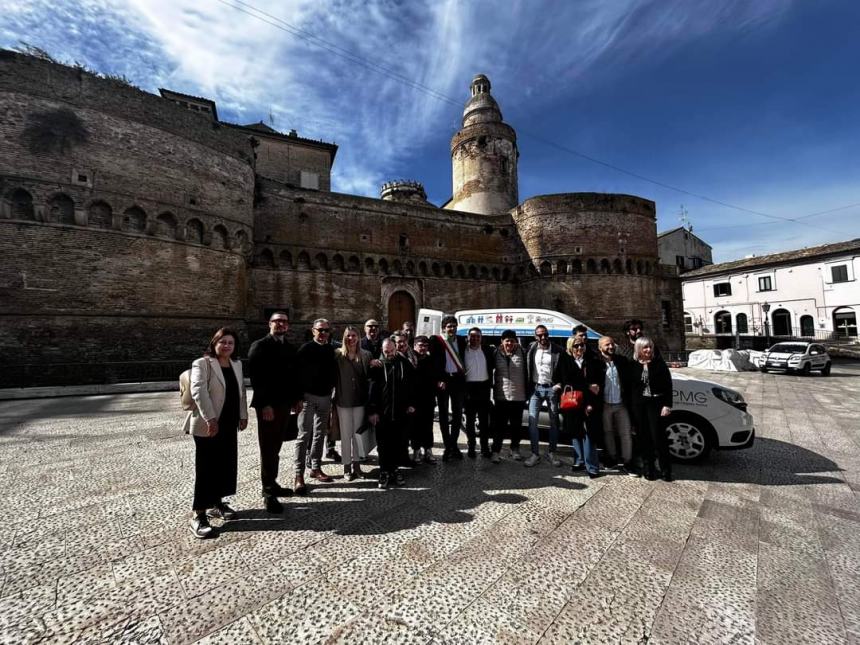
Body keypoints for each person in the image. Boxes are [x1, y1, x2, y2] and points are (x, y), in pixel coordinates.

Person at [183, 328, 248, 538]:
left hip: (229, 423)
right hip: (207, 423)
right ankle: (198, 514)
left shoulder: (237, 364)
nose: (227, 346)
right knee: (206, 467)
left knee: (225, 464)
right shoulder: (202, 363)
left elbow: (241, 392)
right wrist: (211, 418)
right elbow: (198, 391)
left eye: (231, 342)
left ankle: (216, 503)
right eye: (223, 342)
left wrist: (243, 414)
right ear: (215, 343)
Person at [248, 312, 300, 514]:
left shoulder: (289, 347)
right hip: (269, 407)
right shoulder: (259, 346)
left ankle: (273, 482)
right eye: (277, 321)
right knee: (268, 448)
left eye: (285, 321)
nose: (281, 324)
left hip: (285, 405)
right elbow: (256, 378)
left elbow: (294, 376)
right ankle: (268, 492)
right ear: (269, 324)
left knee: (276, 445)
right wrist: (264, 405)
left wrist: (297, 398)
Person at [294, 318, 337, 492]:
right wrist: (297, 397)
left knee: (320, 434)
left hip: (325, 397)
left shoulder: (330, 350)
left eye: (326, 330)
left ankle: (315, 467)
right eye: (320, 330)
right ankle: (298, 474)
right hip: (307, 397)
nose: (323, 333)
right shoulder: (305, 349)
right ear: (313, 331)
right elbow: (295, 374)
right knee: (304, 435)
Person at [368, 339, 415, 488]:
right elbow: (372, 390)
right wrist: (373, 411)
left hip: (400, 412)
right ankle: (384, 471)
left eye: (391, 351)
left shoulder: (404, 363)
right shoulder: (377, 365)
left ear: (396, 349)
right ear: (382, 350)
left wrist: (411, 404)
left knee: (397, 443)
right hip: (382, 413)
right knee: (383, 444)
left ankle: (394, 469)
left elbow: (412, 384)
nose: (389, 354)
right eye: (386, 351)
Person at [553, 335, 602, 478]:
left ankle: (592, 467)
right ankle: (579, 461)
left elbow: (596, 384)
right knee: (575, 433)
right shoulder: (564, 359)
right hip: (572, 403)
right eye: (576, 346)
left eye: (581, 345)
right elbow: (563, 379)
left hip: (587, 404)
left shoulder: (590, 361)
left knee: (588, 435)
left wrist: (590, 401)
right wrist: (586, 385)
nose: (580, 348)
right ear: (570, 347)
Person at [629, 336, 674, 481]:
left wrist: (667, 405)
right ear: (639, 349)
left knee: (659, 438)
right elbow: (631, 388)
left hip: (657, 403)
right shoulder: (633, 365)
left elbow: (668, 385)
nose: (648, 350)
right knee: (643, 438)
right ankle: (649, 468)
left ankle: (665, 469)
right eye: (645, 347)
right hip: (640, 405)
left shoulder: (659, 364)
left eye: (650, 347)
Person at [334, 326, 373, 481]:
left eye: (354, 335)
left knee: (357, 436)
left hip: (360, 400)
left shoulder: (366, 355)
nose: (351, 338)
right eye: (348, 335)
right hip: (343, 400)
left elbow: (371, 376)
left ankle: (357, 466)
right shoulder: (337, 355)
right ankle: (346, 467)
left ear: (359, 337)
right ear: (344, 337)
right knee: (345, 435)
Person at [593, 336, 635, 475]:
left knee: (626, 434)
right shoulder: (596, 362)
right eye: (607, 345)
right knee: (608, 433)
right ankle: (612, 459)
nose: (611, 347)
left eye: (612, 344)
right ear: (600, 348)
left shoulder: (621, 361)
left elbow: (629, 381)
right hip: (604, 404)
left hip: (621, 404)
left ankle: (628, 461)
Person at [430, 315, 467, 460]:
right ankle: (447, 446)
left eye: (454, 326)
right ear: (444, 328)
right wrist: (438, 379)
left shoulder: (462, 341)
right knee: (444, 415)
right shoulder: (437, 341)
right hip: (443, 381)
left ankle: (454, 445)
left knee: (457, 414)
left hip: (457, 381)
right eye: (449, 326)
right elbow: (433, 362)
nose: (452, 328)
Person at [525, 324, 562, 467]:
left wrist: (559, 384)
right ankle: (535, 454)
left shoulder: (557, 350)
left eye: (545, 334)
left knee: (554, 422)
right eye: (540, 335)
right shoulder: (531, 348)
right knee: (532, 421)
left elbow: (563, 369)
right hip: (536, 389)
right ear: (535, 336)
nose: (543, 337)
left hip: (551, 389)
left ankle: (551, 453)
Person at [491, 330, 527, 464]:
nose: (509, 343)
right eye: (507, 340)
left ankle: (515, 449)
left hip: (519, 396)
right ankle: (496, 451)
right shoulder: (495, 353)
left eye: (512, 340)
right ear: (502, 341)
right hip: (501, 397)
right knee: (499, 427)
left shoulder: (522, 352)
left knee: (516, 426)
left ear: (515, 341)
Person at [462, 327, 495, 458]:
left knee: (483, 420)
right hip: (469, 388)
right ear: (468, 337)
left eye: (478, 336)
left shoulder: (487, 350)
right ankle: (471, 446)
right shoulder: (463, 351)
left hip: (484, 388)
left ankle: (484, 447)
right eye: (472, 336)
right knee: (470, 421)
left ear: (481, 338)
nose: (475, 338)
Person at [411, 335, 438, 464]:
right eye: (420, 345)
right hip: (414, 400)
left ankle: (428, 450)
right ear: (414, 346)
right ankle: (416, 451)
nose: (423, 348)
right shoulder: (410, 360)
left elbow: (435, 378)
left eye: (425, 346)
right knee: (415, 426)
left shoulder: (431, 360)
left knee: (428, 426)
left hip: (428, 399)